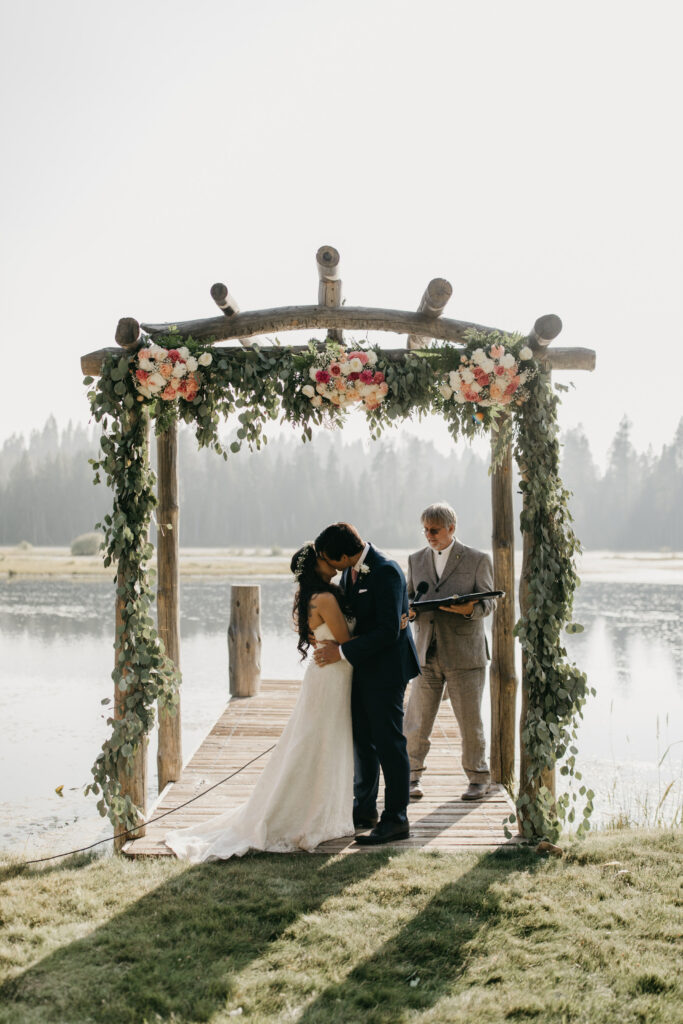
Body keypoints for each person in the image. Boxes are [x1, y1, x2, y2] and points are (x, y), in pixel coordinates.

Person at [165, 543, 355, 861]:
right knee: (319, 744)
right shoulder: (324, 598)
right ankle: (307, 813)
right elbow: (346, 642)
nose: (329, 559)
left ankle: (322, 808)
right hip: (332, 676)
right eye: (323, 558)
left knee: (318, 743)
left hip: (327, 676)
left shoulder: (315, 595)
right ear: (316, 566)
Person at [313, 522, 420, 846]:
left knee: (389, 742)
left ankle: (396, 818)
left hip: (387, 671)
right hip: (360, 668)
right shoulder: (349, 573)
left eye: (333, 561)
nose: (331, 568)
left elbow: (389, 630)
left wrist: (342, 650)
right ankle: (365, 809)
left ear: (346, 554)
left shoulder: (386, 570)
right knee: (362, 739)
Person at [405, 502, 496, 802]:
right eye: (426, 530)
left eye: (435, 530)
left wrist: (470, 608)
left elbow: (490, 603)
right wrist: (409, 612)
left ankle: (478, 779)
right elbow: (407, 597)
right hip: (425, 653)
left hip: (465, 655)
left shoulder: (478, 559)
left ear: (452, 528)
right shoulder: (415, 559)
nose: (429, 535)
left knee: (470, 722)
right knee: (416, 721)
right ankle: (410, 776)